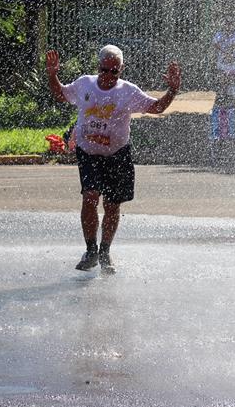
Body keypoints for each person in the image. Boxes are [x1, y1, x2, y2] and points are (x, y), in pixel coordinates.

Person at [46, 45, 181, 273]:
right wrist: (53, 76)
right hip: (88, 153)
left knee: (111, 204)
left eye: (114, 71)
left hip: (117, 155)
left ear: (121, 70)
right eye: (104, 70)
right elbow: (61, 94)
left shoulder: (127, 91)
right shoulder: (85, 84)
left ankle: (105, 251)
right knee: (90, 197)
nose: (108, 76)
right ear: (98, 67)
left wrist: (172, 91)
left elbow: (156, 107)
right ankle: (90, 250)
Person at [210, 18, 235, 162]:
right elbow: (215, 47)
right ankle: (219, 136)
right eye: (226, 23)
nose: (228, 26)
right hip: (222, 69)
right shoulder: (219, 35)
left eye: (231, 23)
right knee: (221, 100)